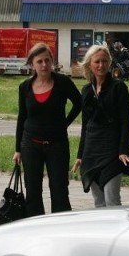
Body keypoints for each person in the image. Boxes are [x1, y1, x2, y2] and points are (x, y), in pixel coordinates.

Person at [13, 42, 82, 217]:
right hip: (30, 145)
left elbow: (80, 104)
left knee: (59, 190)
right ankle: (35, 229)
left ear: (52, 61)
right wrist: (17, 149)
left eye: (47, 60)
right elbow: (22, 117)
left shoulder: (63, 82)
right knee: (33, 191)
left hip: (56, 144)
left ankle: (60, 229)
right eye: (39, 61)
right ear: (32, 64)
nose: (44, 65)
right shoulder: (25, 87)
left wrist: (64, 123)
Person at [72, 43, 129, 207]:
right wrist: (80, 155)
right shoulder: (86, 91)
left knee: (112, 200)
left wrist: (123, 149)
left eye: (105, 61)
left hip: (112, 152)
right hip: (91, 152)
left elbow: (126, 121)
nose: (101, 65)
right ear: (89, 64)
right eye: (97, 61)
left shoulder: (118, 87)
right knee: (98, 202)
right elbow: (85, 125)